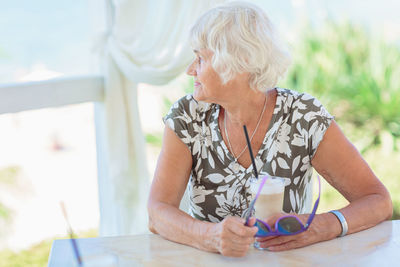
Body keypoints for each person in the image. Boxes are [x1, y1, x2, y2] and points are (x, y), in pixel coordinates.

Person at [147, 1, 392, 257]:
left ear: (236, 63)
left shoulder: (302, 116)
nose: (190, 70)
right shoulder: (188, 117)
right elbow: (157, 213)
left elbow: (377, 200)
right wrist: (209, 237)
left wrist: (324, 226)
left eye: (200, 58)